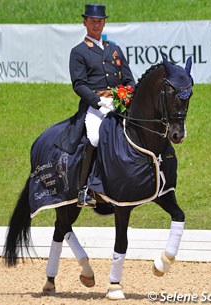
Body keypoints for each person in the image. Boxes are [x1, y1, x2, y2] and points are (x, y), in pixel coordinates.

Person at [69, 4, 135, 207]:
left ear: (104, 23)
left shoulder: (114, 49)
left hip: (118, 105)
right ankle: (84, 189)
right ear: (85, 22)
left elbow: (129, 80)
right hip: (96, 107)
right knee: (96, 138)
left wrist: (124, 98)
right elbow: (79, 84)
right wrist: (99, 102)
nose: (96, 24)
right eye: (92, 21)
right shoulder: (79, 52)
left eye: (99, 21)